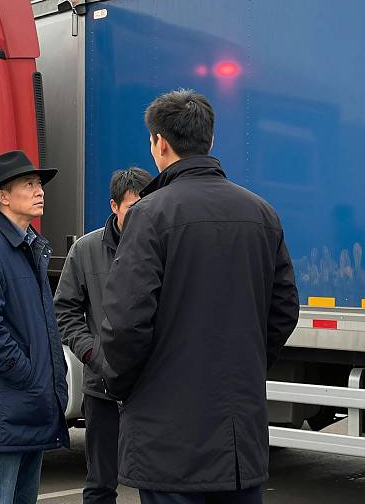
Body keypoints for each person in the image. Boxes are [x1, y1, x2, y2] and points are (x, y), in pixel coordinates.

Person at [99, 90, 300, 504]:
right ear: (209, 140)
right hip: (239, 439)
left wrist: (122, 383)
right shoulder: (261, 213)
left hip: (169, 440)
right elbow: (284, 310)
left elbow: (124, 322)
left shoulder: (149, 215)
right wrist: (249, 363)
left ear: (160, 144)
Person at [0, 150, 69, 504]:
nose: (40, 191)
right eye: (29, 184)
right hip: (5, 413)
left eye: (39, 184)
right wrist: (28, 375)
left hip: (30, 407)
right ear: (2, 196)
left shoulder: (30, 246)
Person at [54, 167, 153, 504]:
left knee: (157, 482)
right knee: (100, 485)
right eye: (132, 209)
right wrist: (92, 353)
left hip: (152, 388)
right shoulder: (85, 250)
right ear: (114, 206)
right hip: (102, 388)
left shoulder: (163, 246)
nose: (141, 216)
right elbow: (64, 310)